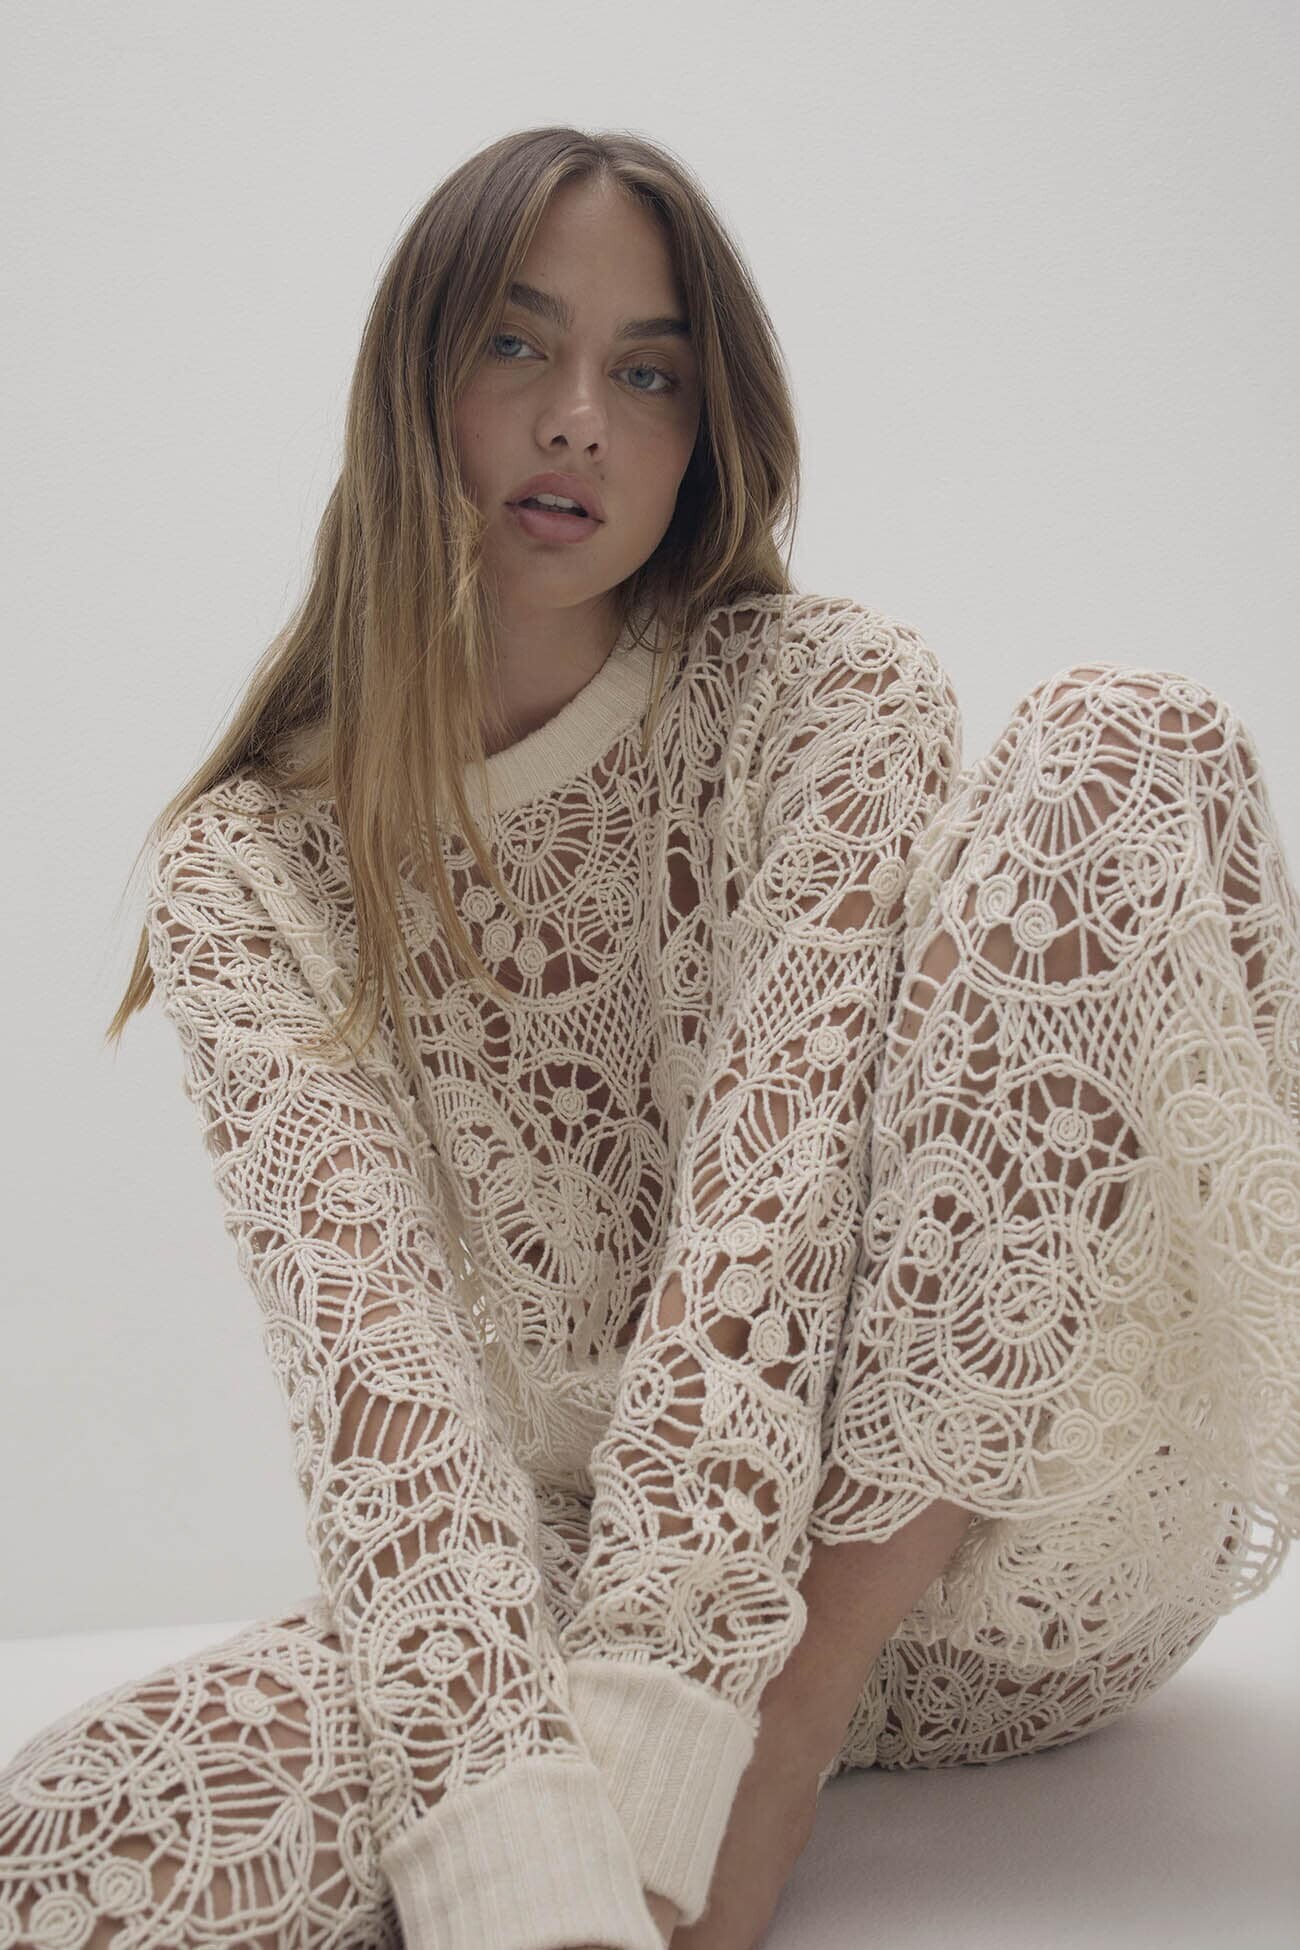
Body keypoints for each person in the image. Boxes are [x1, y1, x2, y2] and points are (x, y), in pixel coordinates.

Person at [2, 124, 1298, 1950]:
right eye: (515, 344)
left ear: (702, 431)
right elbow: (386, 1406)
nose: (578, 423)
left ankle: (791, 1721)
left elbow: (767, 1235)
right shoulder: (251, 873)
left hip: (996, 1556)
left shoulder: (822, 701)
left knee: (1119, 744)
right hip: (584, 1586)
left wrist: (745, 1734)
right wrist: (516, 1857)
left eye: (647, 373)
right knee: (89, 1826)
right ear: (412, 379)